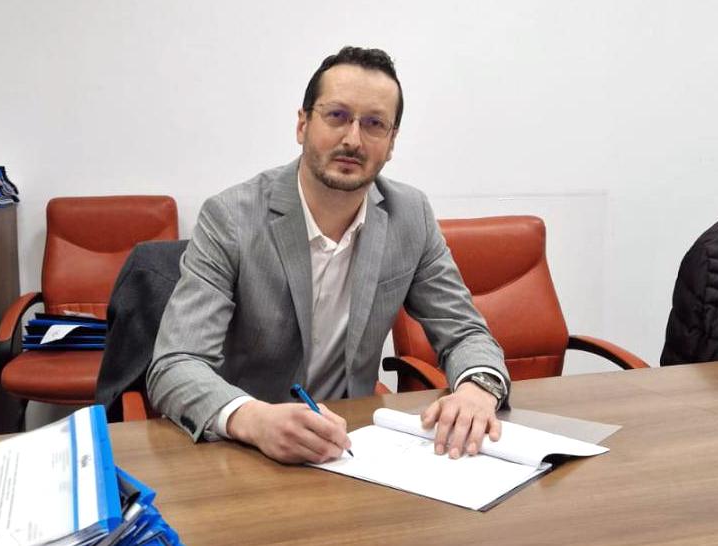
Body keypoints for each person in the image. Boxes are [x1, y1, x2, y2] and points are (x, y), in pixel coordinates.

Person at [148, 46, 510, 464]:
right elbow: (176, 363)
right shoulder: (231, 217)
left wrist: (477, 389)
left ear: (391, 142)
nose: (353, 139)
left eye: (374, 124)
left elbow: (465, 332)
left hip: (351, 447)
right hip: (247, 452)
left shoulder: (410, 216)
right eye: (336, 116)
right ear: (302, 124)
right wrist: (252, 418)